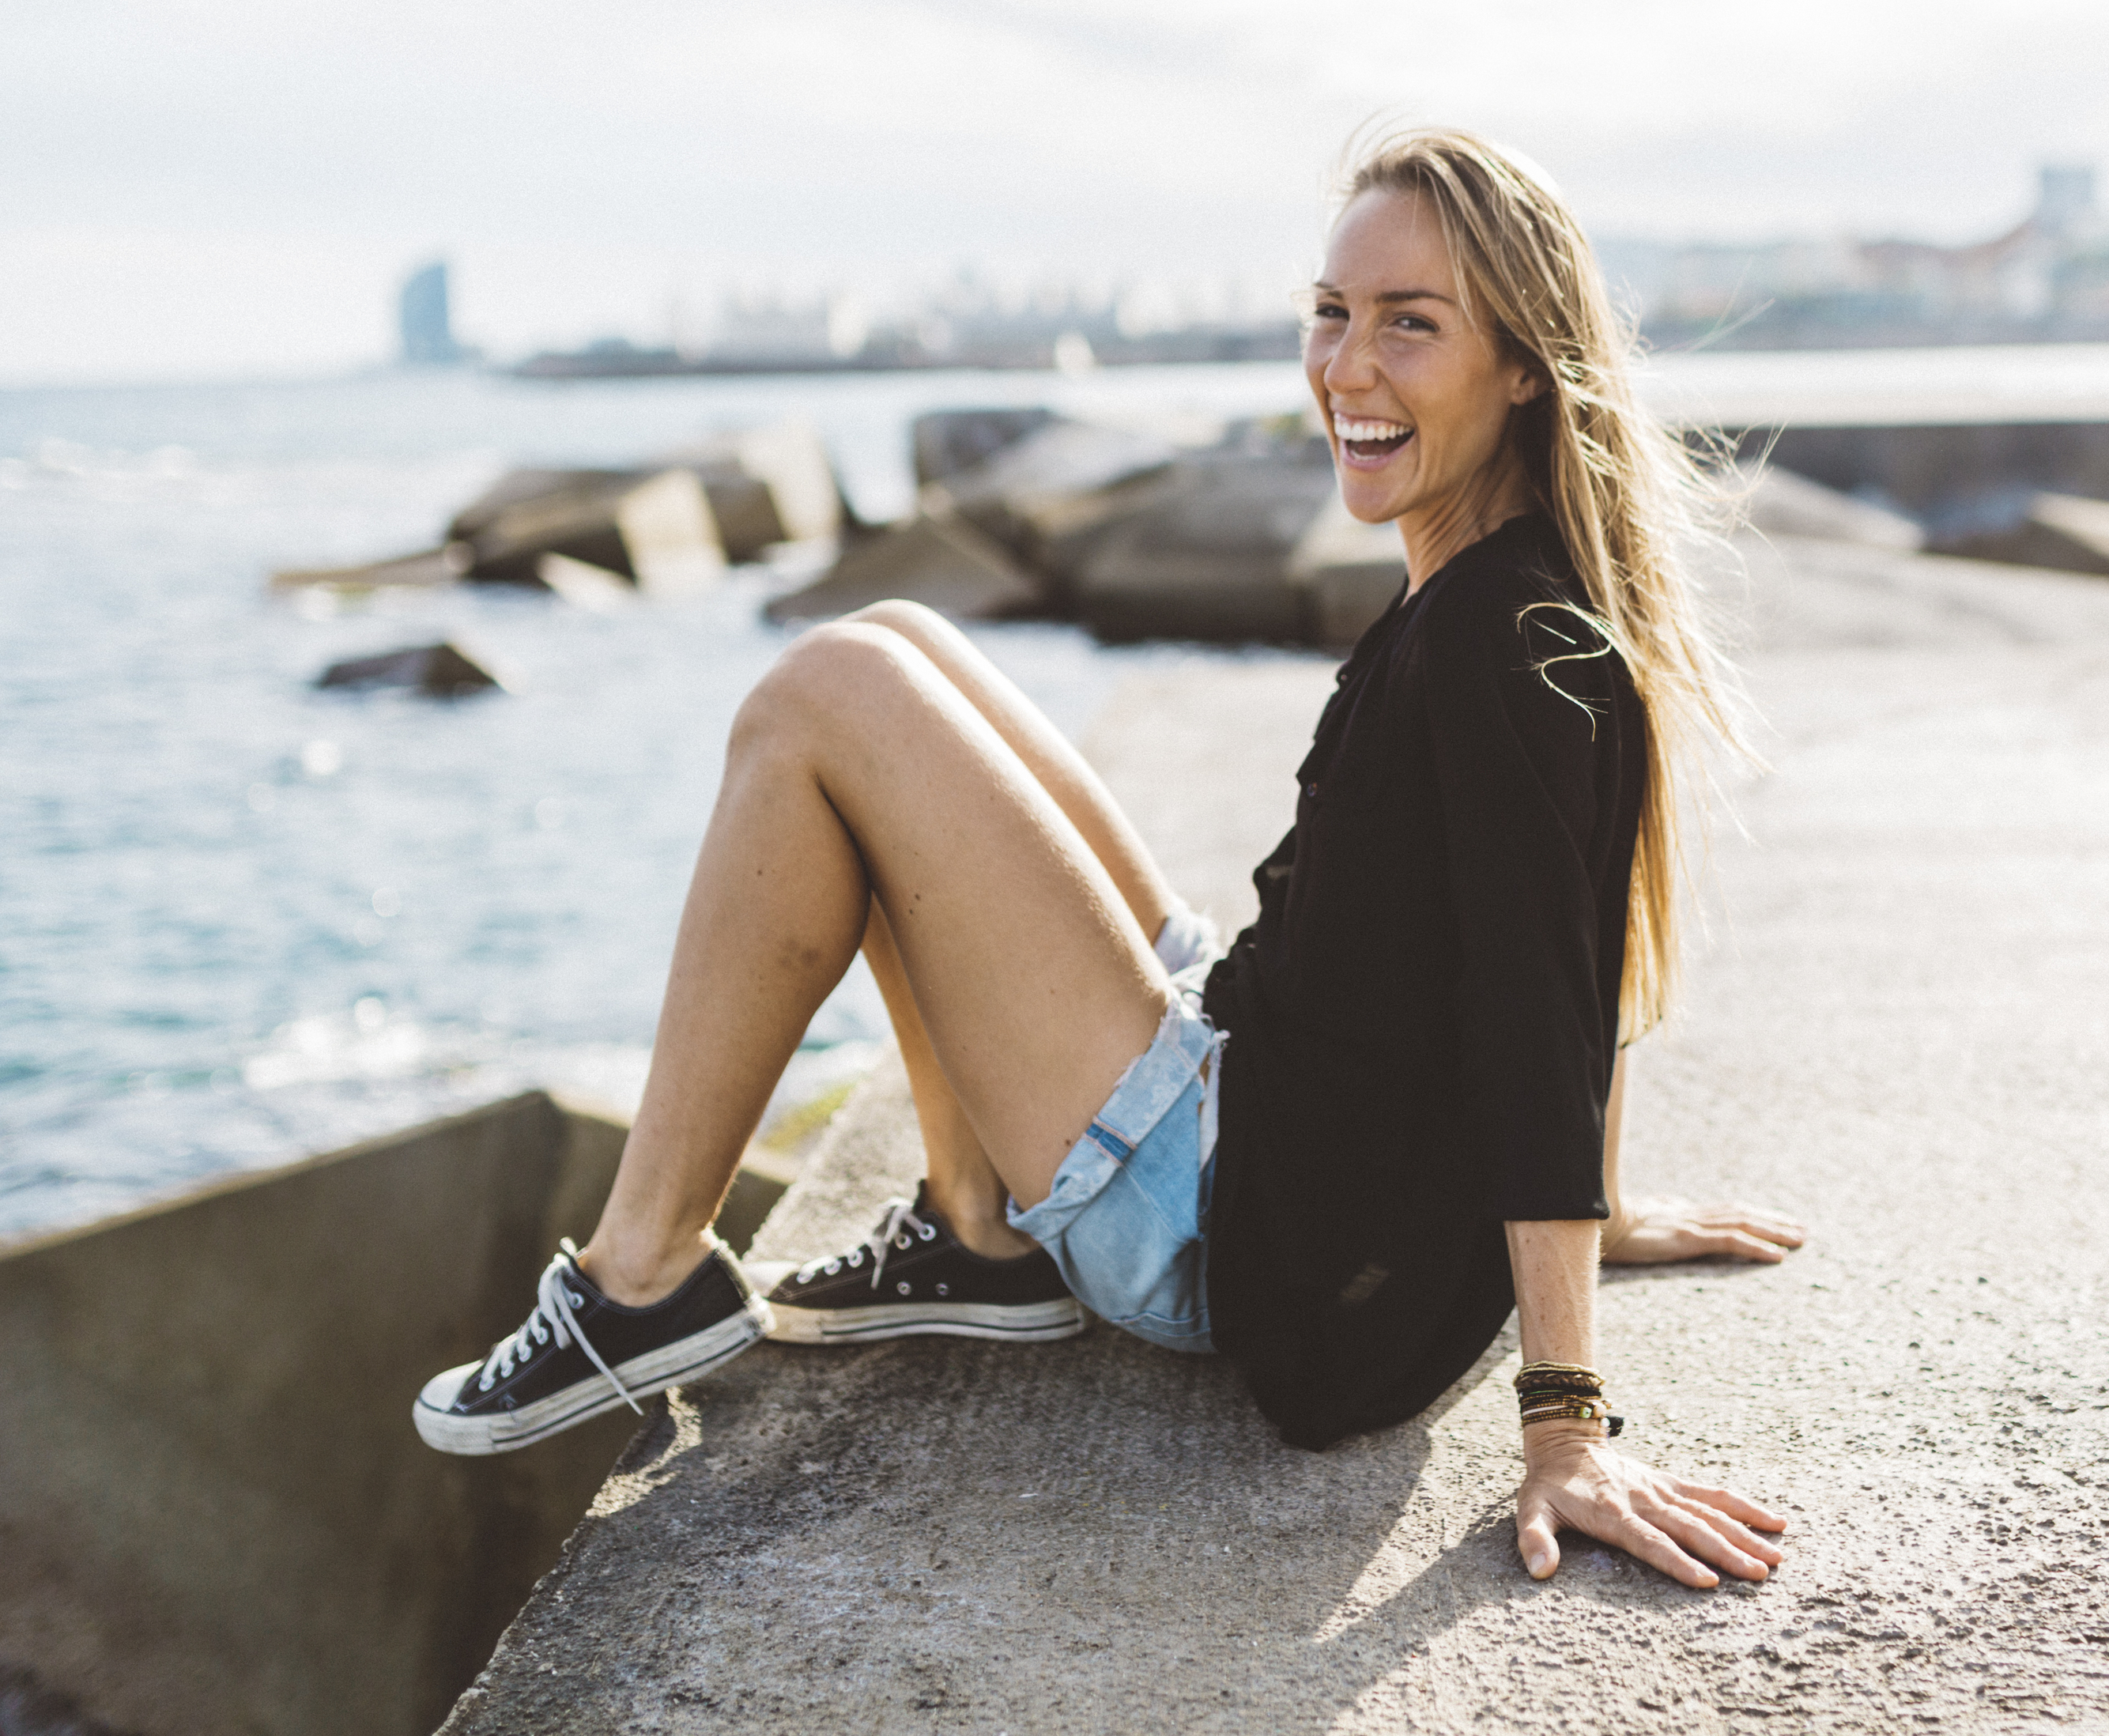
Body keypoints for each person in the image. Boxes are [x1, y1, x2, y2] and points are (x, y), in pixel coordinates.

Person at [412, 128, 1805, 1589]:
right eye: (1332, 313)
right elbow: (1581, 932)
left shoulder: (1493, 645)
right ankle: (975, 1230)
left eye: (1413, 325)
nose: (1348, 368)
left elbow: (1547, 998)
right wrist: (1606, 1199)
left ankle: (641, 1281)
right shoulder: (1530, 597)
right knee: (903, 648)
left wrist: (1565, 1422)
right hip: (1270, 1091)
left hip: (1238, 1227)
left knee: (821, 693)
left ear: (1526, 365)